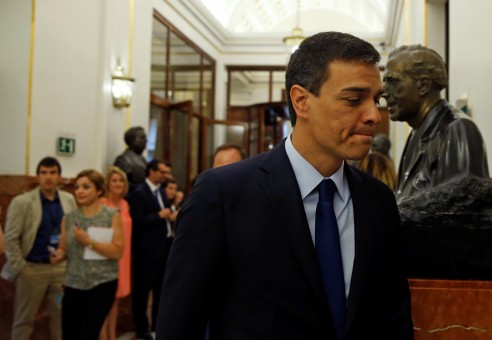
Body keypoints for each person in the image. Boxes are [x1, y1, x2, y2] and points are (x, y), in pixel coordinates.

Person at [157, 31, 412, 339]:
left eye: (376, 100)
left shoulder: (378, 201)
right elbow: (180, 323)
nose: (373, 115)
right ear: (301, 101)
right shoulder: (224, 194)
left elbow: (392, 319)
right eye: (354, 100)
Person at [382, 45, 492, 280]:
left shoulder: (457, 129)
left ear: (424, 85)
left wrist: (388, 216)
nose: (384, 91)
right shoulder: (416, 135)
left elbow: (463, 201)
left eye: (393, 82)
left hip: (449, 276)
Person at [1, 156, 76, 340]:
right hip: (32, 270)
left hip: (59, 270)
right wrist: (21, 268)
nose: (48, 177)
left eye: (52, 173)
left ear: (59, 176)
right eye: (44, 173)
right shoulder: (22, 202)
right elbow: (11, 238)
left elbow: (72, 232)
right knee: (24, 320)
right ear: (37, 176)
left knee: (60, 317)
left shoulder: (68, 200)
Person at [50, 169, 124, 340]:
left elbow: (118, 251)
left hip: (102, 283)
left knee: (88, 333)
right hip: (73, 283)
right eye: (77, 187)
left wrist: (89, 242)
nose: (80, 191)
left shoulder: (111, 215)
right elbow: (63, 247)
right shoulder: (69, 218)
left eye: (85, 187)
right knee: (69, 334)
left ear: (98, 190)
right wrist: (58, 254)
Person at [128, 159, 173, 340]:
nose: (165, 176)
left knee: (160, 291)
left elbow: (166, 211)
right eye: (162, 172)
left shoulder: (160, 190)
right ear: (151, 172)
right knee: (142, 292)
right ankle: (142, 329)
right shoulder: (139, 193)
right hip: (146, 252)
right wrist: (158, 216)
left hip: (163, 248)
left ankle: (156, 326)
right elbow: (137, 222)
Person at [98, 166, 132, 340]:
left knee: (116, 301)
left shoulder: (125, 204)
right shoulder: (103, 205)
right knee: (104, 302)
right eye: (114, 180)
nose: (118, 184)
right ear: (107, 184)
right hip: (108, 258)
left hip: (124, 258)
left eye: (121, 180)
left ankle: (112, 335)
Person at [114, 126, 148, 193]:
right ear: (132, 141)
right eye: (142, 137)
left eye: (145, 137)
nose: (146, 140)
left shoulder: (141, 158)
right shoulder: (123, 160)